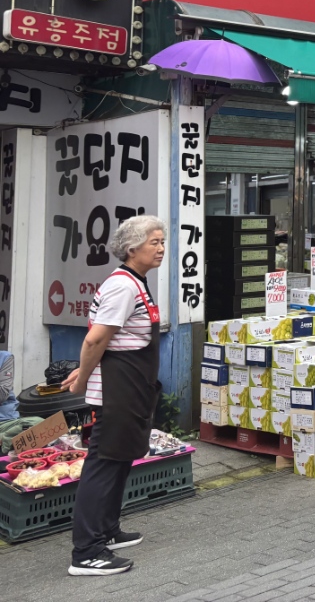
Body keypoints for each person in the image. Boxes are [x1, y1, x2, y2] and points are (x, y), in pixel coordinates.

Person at [65, 215, 166, 577]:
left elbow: (111, 338)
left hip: (131, 386)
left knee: (121, 459)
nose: (161, 248)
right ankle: (86, 551)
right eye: (153, 241)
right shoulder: (123, 286)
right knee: (104, 464)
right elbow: (95, 338)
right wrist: (83, 377)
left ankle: (107, 530)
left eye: (161, 241)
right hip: (115, 391)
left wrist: (85, 368)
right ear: (131, 248)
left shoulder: (137, 283)